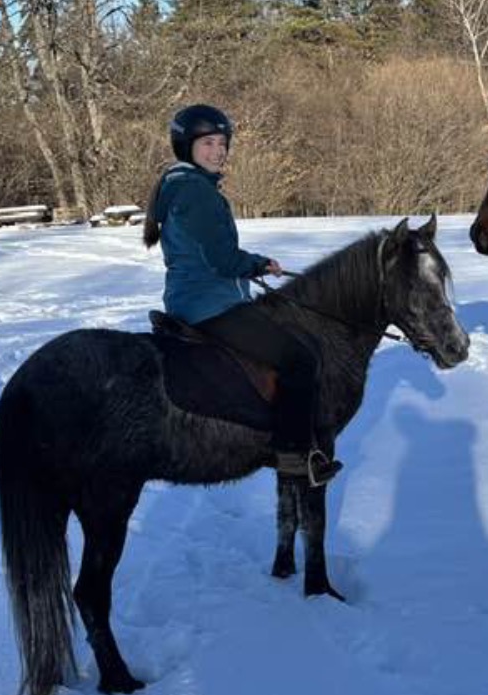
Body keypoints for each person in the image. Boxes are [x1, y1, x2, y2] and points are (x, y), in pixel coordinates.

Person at [143, 104, 342, 485]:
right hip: (211, 305)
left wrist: (253, 265)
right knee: (299, 358)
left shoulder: (180, 185)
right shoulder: (197, 192)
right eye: (208, 143)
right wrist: (256, 263)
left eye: (222, 143)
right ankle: (295, 455)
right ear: (186, 146)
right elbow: (221, 259)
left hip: (192, 299)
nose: (218, 151)